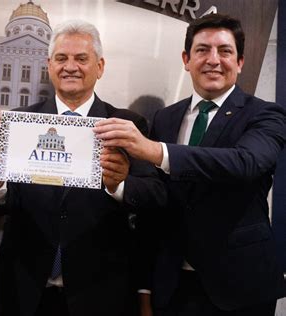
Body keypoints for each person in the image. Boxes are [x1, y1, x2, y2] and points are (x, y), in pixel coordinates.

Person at [94, 13, 286, 316]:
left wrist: (156, 150)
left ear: (240, 63)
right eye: (202, 50)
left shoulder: (266, 115)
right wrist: (144, 286)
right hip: (172, 285)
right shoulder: (165, 118)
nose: (213, 60)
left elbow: (244, 163)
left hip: (240, 286)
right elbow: (156, 205)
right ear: (186, 59)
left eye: (225, 51)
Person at [0, 19, 166, 316]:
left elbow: (155, 195)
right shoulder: (20, 122)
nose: (70, 67)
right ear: (49, 65)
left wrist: (119, 184)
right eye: (61, 58)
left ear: (100, 66)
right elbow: (2, 204)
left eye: (81, 58)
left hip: (100, 292)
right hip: (24, 290)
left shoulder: (126, 125)